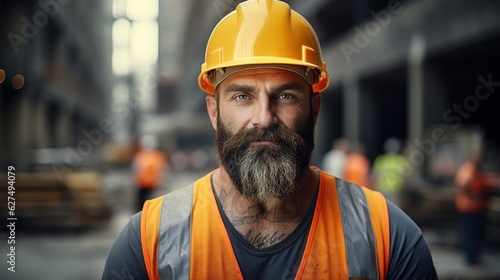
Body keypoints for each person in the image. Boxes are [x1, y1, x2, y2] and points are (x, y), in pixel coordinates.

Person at [102, 1, 437, 279]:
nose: (264, 118)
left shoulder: (387, 237)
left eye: (286, 95)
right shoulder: (148, 243)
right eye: (242, 96)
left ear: (314, 107)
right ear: (213, 110)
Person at [454, 151, 489, 266]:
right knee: (471, 233)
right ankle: (471, 258)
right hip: (470, 208)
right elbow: (465, 184)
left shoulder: (476, 169)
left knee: (475, 233)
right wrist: (473, 195)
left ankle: (473, 257)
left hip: (476, 208)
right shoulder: (469, 169)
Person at [132, 135, 168, 212]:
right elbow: (162, 170)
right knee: (152, 204)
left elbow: (136, 169)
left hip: (143, 184)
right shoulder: (158, 156)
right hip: (153, 184)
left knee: (141, 204)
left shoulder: (141, 155)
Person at [372, 137, 408, 205]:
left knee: (384, 209)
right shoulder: (400, 160)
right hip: (393, 190)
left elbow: (375, 175)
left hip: (387, 190)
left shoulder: (381, 159)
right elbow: (405, 177)